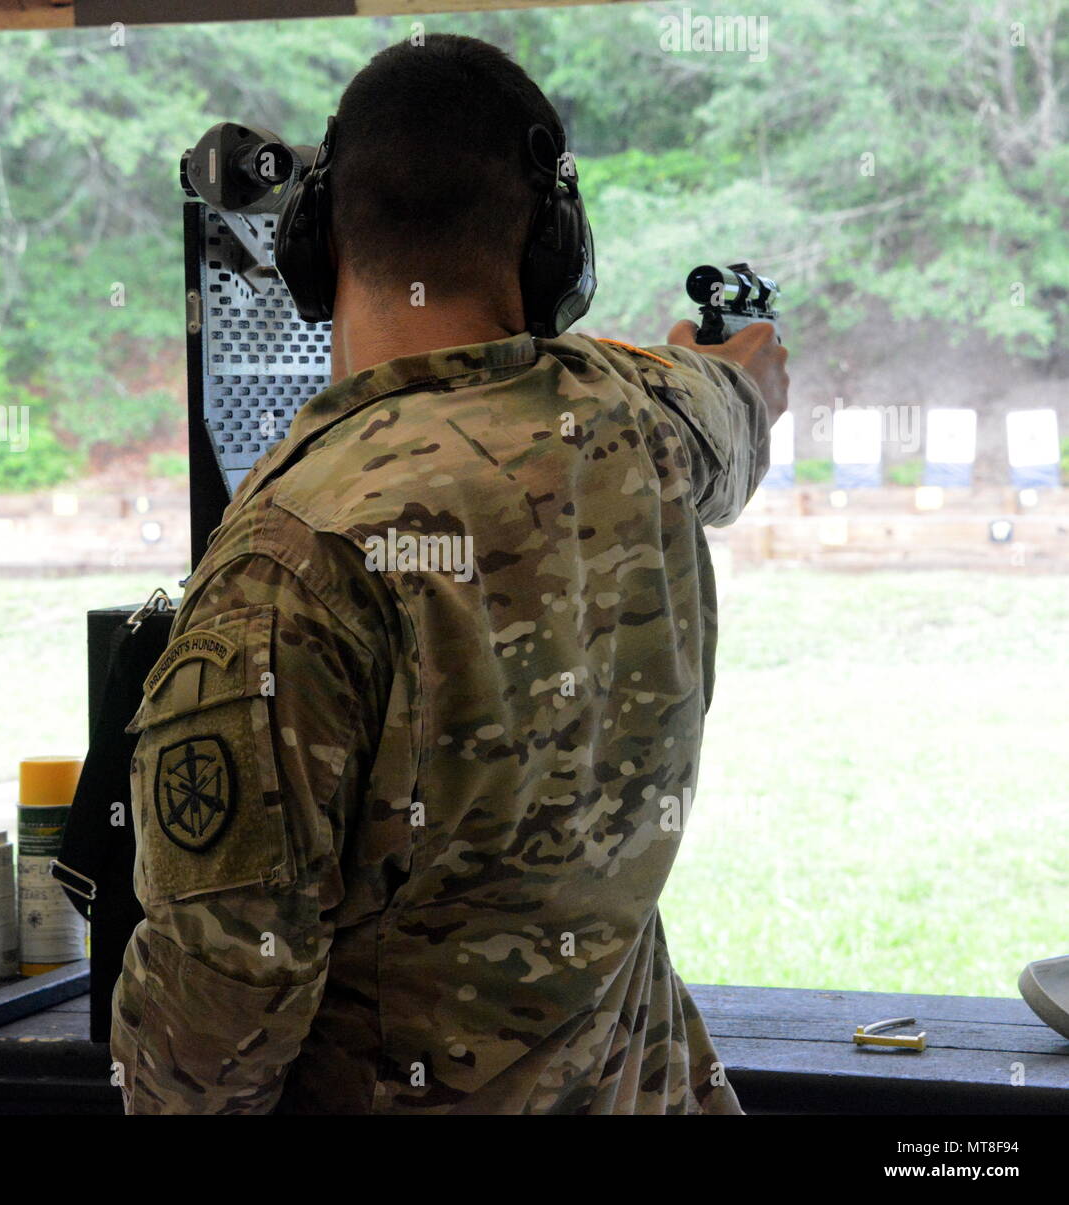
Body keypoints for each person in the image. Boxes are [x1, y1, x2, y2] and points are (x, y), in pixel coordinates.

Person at [110, 32, 788, 1114]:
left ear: (317, 235)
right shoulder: (642, 420)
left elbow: (206, 1055)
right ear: (552, 250)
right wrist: (737, 359)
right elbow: (735, 402)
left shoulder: (292, 562)